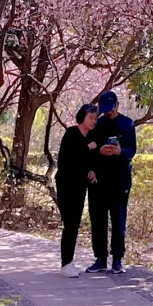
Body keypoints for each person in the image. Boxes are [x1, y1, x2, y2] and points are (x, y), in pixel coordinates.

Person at [85, 90, 136, 273]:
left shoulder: (127, 124)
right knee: (97, 219)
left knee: (118, 220)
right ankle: (100, 258)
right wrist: (98, 154)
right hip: (99, 179)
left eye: (111, 109)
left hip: (120, 180)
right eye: (105, 110)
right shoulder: (96, 124)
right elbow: (88, 150)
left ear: (117, 105)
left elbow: (132, 151)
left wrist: (119, 152)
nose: (109, 113)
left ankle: (117, 259)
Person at [55, 103, 98, 276]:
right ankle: (65, 263)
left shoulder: (92, 137)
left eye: (95, 118)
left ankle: (69, 262)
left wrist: (92, 170)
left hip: (81, 186)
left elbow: (91, 161)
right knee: (69, 224)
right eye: (91, 118)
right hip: (66, 185)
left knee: (75, 224)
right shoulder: (71, 134)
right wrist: (88, 147)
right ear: (82, 117)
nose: (93, 121)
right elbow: (67, 158)